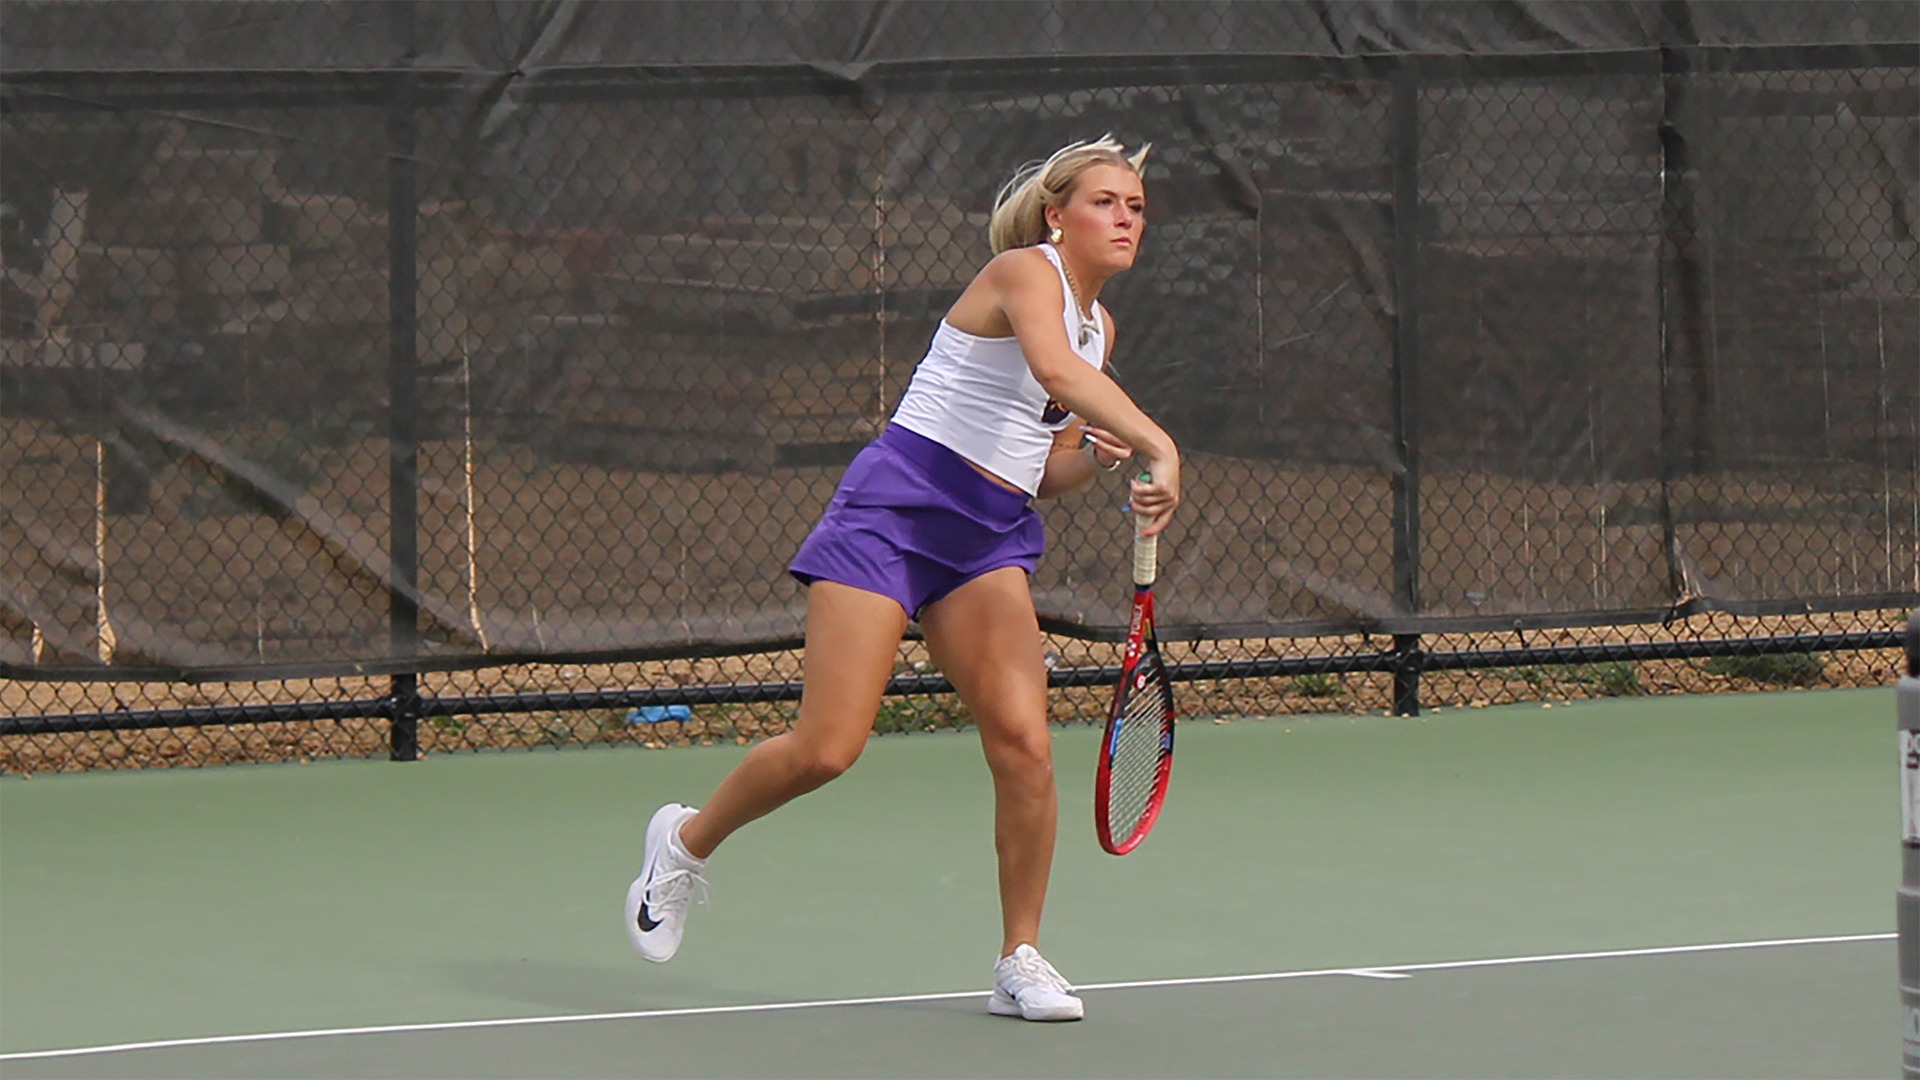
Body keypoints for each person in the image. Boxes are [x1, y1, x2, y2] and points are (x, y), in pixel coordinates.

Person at [625, 134, 1182, 1023]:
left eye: (1137, 207)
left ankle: (1021, 957)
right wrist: (1159, 442)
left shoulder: (1098, 328)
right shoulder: (1023, 274)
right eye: (1106, 202)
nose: (1126, 219)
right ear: (1057, 216)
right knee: (827, 749)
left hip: (987, 539)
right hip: (894, 513)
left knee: (1025, 745)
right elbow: (1051, 372)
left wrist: (1101, 458)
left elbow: (1044, 465)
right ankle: (684, 844)